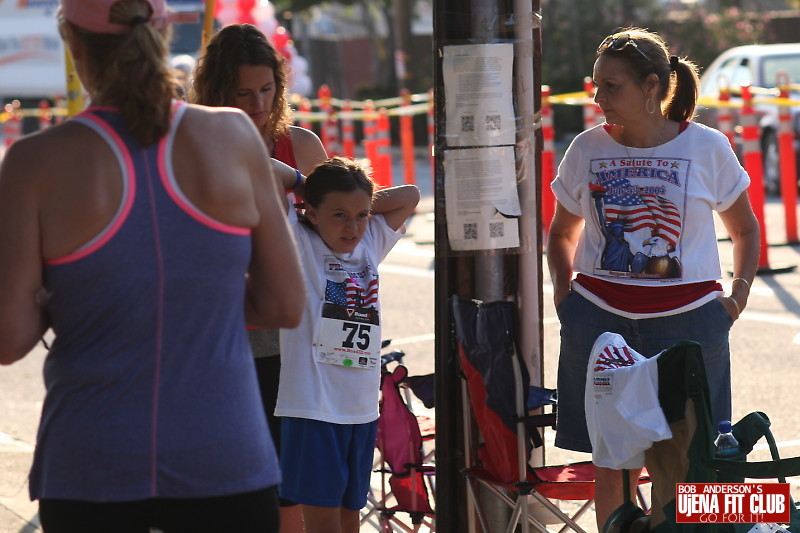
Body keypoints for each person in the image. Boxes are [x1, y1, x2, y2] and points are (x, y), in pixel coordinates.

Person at [0, 1, 305, 532]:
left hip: (91, 464)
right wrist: (199, 288)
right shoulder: (234, 136)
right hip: (225, 455)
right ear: (163, 31)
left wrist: (79, 292)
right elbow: (283, 303)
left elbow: (9, 337)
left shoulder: (34, 162)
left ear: (71, 41)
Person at [546, 27, 760, 529]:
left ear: (650, 87)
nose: (598, 98)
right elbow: (560, 233)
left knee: (693, 472)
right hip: (598, 324)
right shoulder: (586, 147)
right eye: (595, 85)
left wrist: (736, 298)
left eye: (611, 86)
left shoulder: (708, 147)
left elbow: (746, 228)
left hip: (690, 324)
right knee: (611, 468)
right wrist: (565, 297)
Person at [188, 23, 327, 533]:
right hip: (219, 338)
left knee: (290, 483)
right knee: (225, 481)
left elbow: (346, 231)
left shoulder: (301, 144)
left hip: (296, 340)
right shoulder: (193, 145)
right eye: (242, 93)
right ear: (217, 91)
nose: (257, 103)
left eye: (267, 89)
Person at [274, 156, 419, 533]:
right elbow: (260, 167)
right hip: (312, 406)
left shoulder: (369, 239)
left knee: (348, 515)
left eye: (360, 214)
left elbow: (410, 195)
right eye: (338, 215)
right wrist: (304, 184)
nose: (352, 226)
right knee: (322, 522)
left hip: (359, 408)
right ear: (311, 212)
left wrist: (353, 203)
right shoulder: (298, 240)